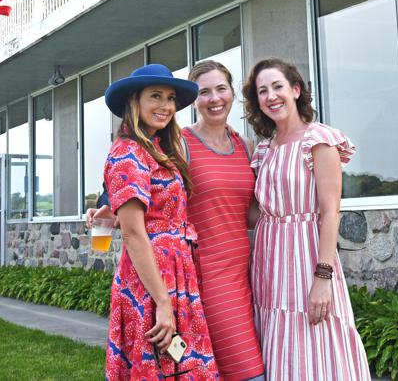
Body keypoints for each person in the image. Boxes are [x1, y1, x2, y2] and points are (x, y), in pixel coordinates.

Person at [242, 58, 370, 380]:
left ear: (296, 90)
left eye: (278, 87)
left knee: (318, 338)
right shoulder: (263, 150)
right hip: (269, 264)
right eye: (262, 91)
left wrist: (323, 277)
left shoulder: (319, 140)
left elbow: (330, 212)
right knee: (280, 342)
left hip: (307, 258)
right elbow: (255, 213)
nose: (271, 96)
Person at [101, 64, 219, 380]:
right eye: (155, 96)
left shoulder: (155, 148)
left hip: (175, 272)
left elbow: (145, 212)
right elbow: (134, 234)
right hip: (151, 281)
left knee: (180, 360)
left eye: (170, 98)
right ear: (134, 101)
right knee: (158, 363)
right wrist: (162, 302)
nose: (166, 106)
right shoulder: (128, 153)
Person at [182, 60, 265, 381]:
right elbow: (152, 191)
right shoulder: (180, 144)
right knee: (249, 372)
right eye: (204, 92)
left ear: (232, 92)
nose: (214, 98)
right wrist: (109, 207)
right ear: (194, 99)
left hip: (246, 274)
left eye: (221, 89)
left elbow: (250, 213)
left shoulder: (245, 146)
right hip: (208, 276)